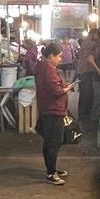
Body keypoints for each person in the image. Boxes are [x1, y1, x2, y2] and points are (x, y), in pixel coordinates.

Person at [35, 42, 76, 186]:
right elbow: (56, 91)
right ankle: (51, 174)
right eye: (58, 56)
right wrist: (68, 88)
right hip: (53, 110)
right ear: (51, 56)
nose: (60, 59)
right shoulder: (48, 69)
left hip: (48, 109)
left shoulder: (42, 67)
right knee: (53, 142)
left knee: (49, 142)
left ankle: (51, 169)